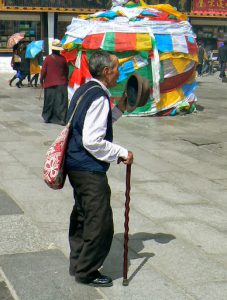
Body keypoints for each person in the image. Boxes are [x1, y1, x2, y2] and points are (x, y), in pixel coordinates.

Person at [65, 50, 133, 287]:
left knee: (83, 215)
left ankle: (77, 263)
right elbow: (92, 140)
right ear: (106, 71)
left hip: (74, 163)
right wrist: (122, 152)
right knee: (99, 221)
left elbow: (94, 124)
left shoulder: (86, 89)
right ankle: (87, 271)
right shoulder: (99, 97)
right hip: (87, 168)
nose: (118, 73)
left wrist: (120, 109)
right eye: (116, 68)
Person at [40, 39, 69, 125]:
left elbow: (43, 71)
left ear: (52, 49)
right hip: (62, 83)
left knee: (49, 101)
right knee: (61, 102)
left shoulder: (48, 58)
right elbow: (66, 71)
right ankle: (61, 119)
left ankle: (48, 117)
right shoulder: (63, 59)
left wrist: (41, 80)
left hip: (49, 83)